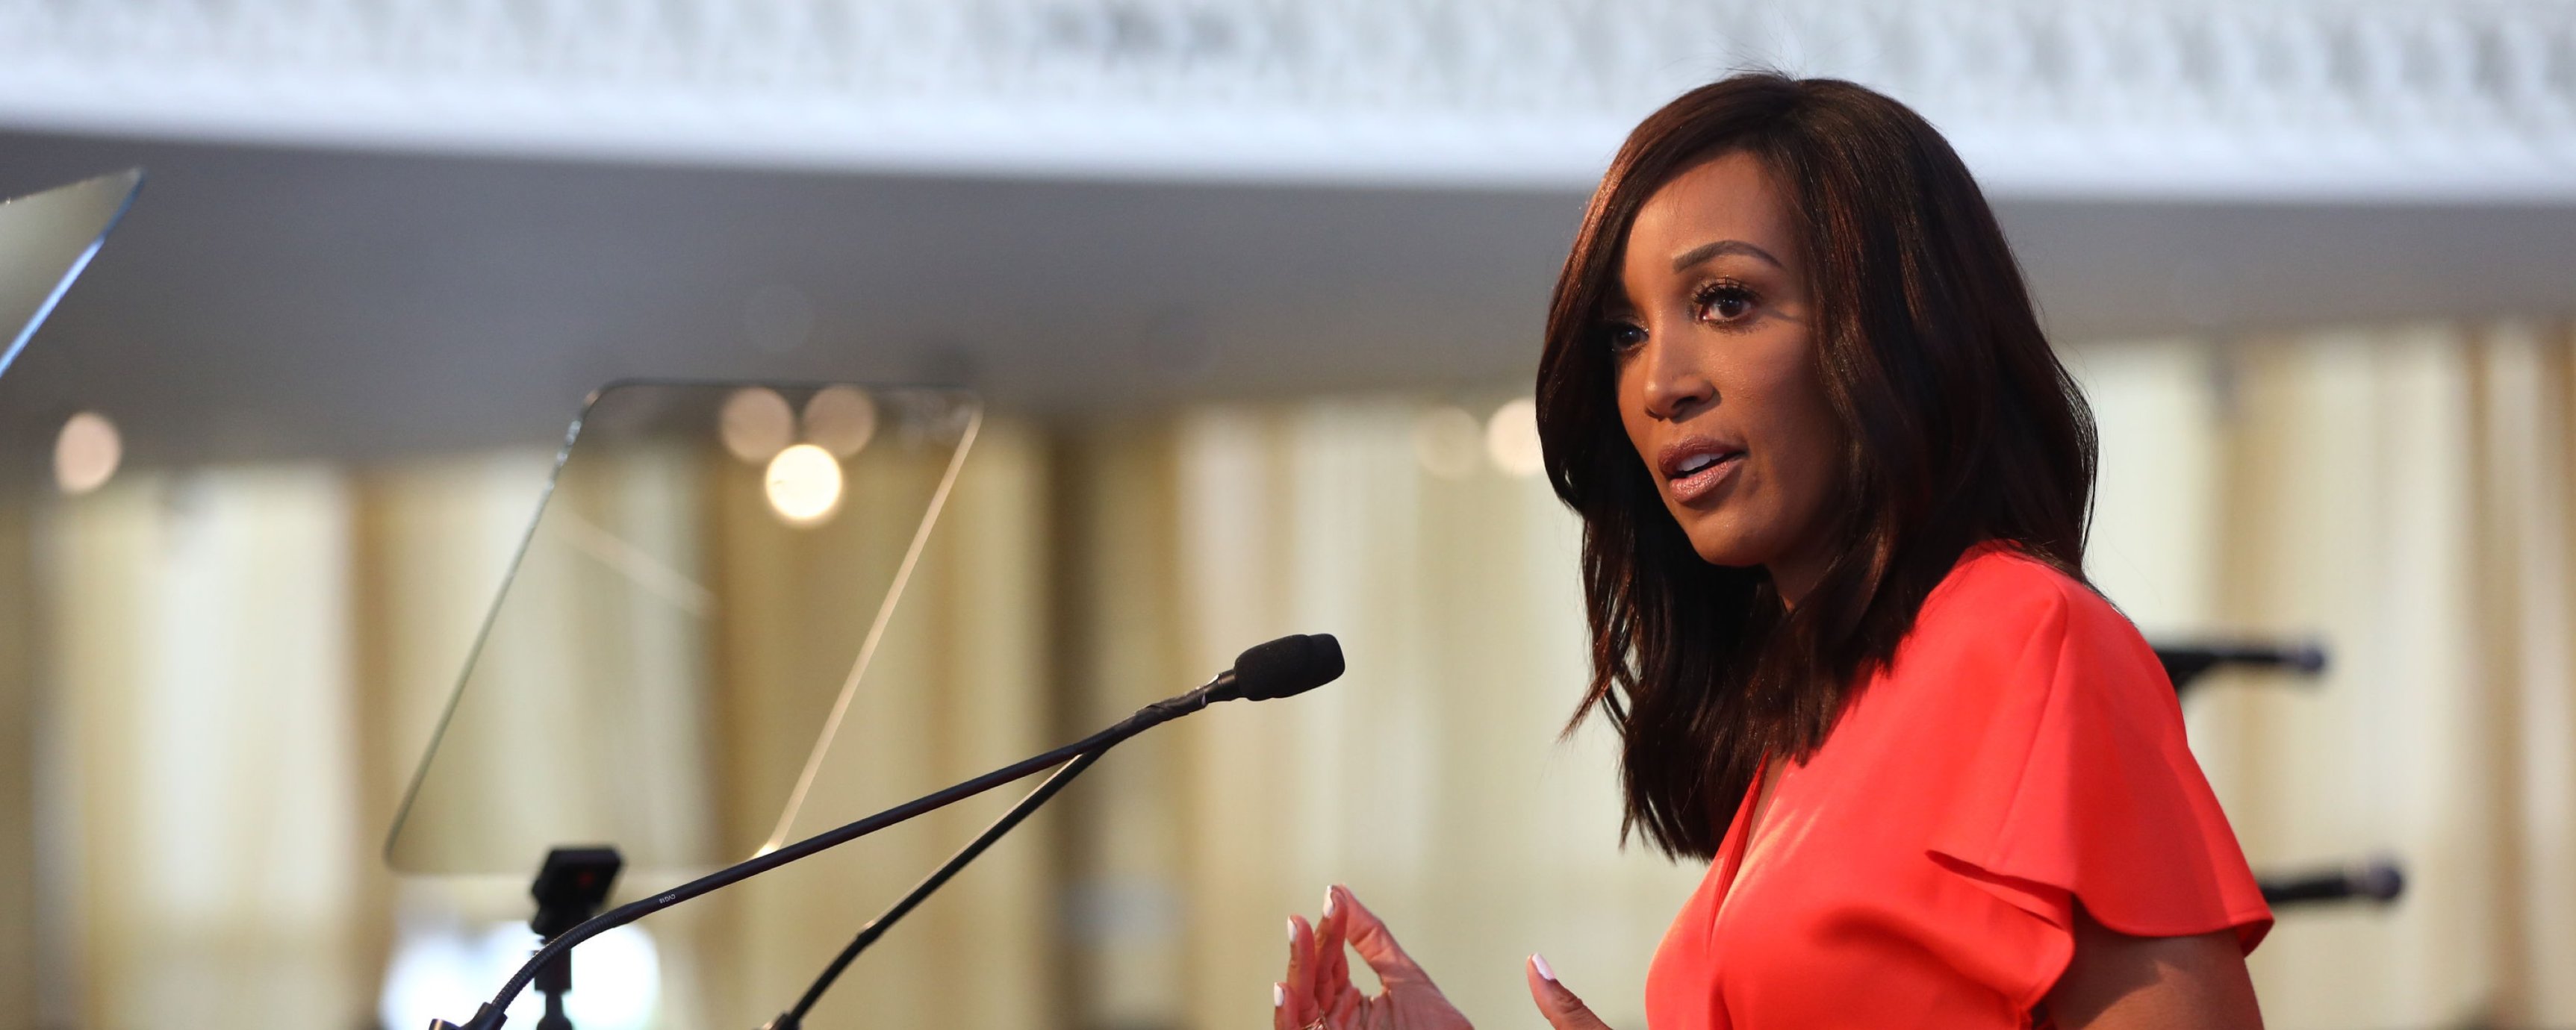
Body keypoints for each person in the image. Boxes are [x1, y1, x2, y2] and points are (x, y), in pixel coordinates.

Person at [1272, 73, 2271, 1030]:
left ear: (1895, 327)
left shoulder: (2027, 637)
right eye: (1624, 332)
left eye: (1724, 301)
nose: (1660, 381)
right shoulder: (1801, 722)